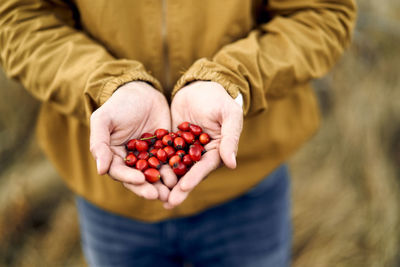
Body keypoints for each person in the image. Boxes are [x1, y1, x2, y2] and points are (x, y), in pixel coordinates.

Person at [0, 0, 356, 266]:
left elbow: (321, 14)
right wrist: (105, 84)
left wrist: (232, 78)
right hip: (111, 195)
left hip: (246, 181)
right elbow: (21, 19)